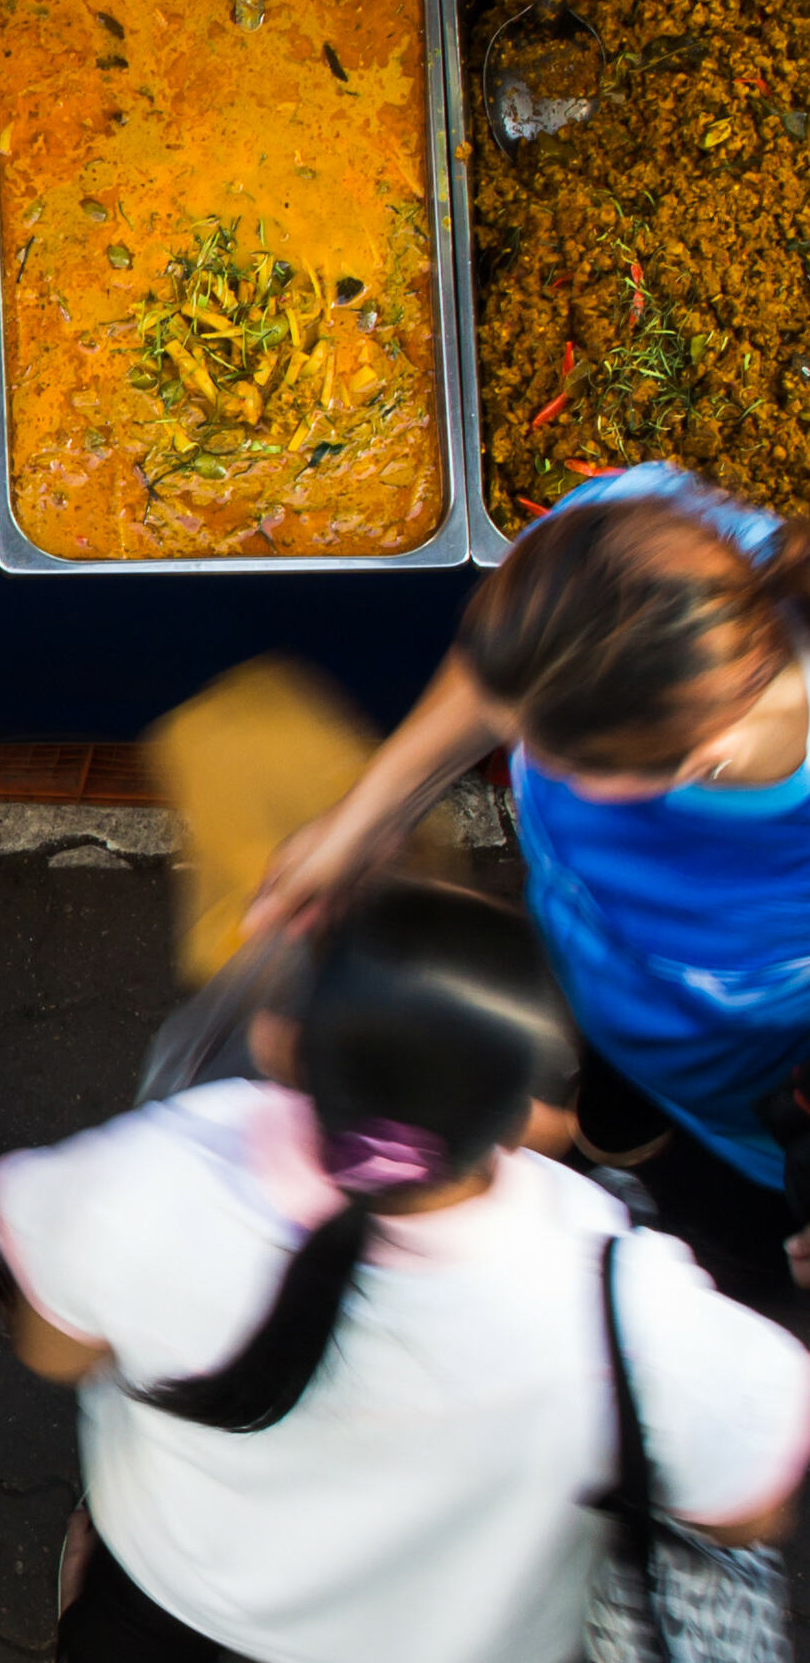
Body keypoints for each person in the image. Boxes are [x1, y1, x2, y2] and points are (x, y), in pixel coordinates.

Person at [0, 876, 809, 1663]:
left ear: (283, 1041)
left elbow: (52, 1351)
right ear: (531, 1117)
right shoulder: (628, 1310)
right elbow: (743, 1510)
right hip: (472, 1653)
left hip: (183, 1566)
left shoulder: (147, 1175)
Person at [246, 463, 810, 1294]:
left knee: (724, 1241)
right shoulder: (624, 536)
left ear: (698, 760)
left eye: (554, 756)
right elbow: (495, 675)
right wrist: (367, 814)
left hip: (756, 1110)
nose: (517, 757)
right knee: (609, 1120)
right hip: (602, 995)